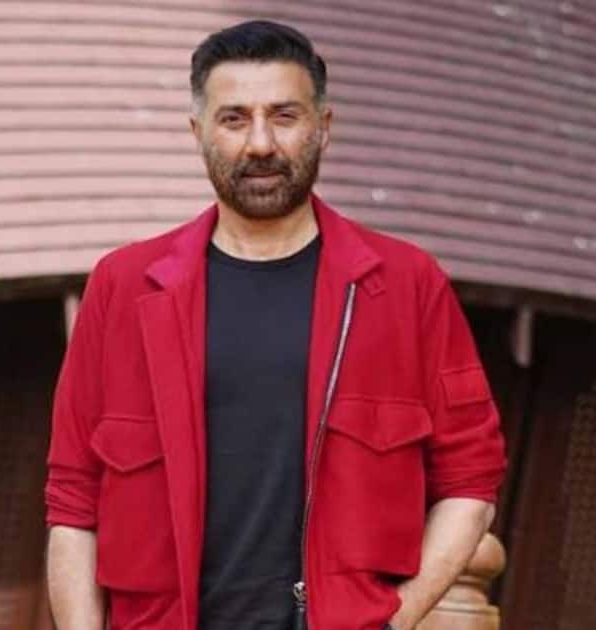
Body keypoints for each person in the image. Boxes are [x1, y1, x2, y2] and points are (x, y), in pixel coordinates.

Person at [44, 19, 507, 630]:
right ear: (198, 133)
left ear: (324, 126)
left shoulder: (405, 284)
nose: (260, 143)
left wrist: (391, 622)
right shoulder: (125, 287)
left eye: (284, 116)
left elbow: (471, 479)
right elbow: (73, 500)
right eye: (234, 119)